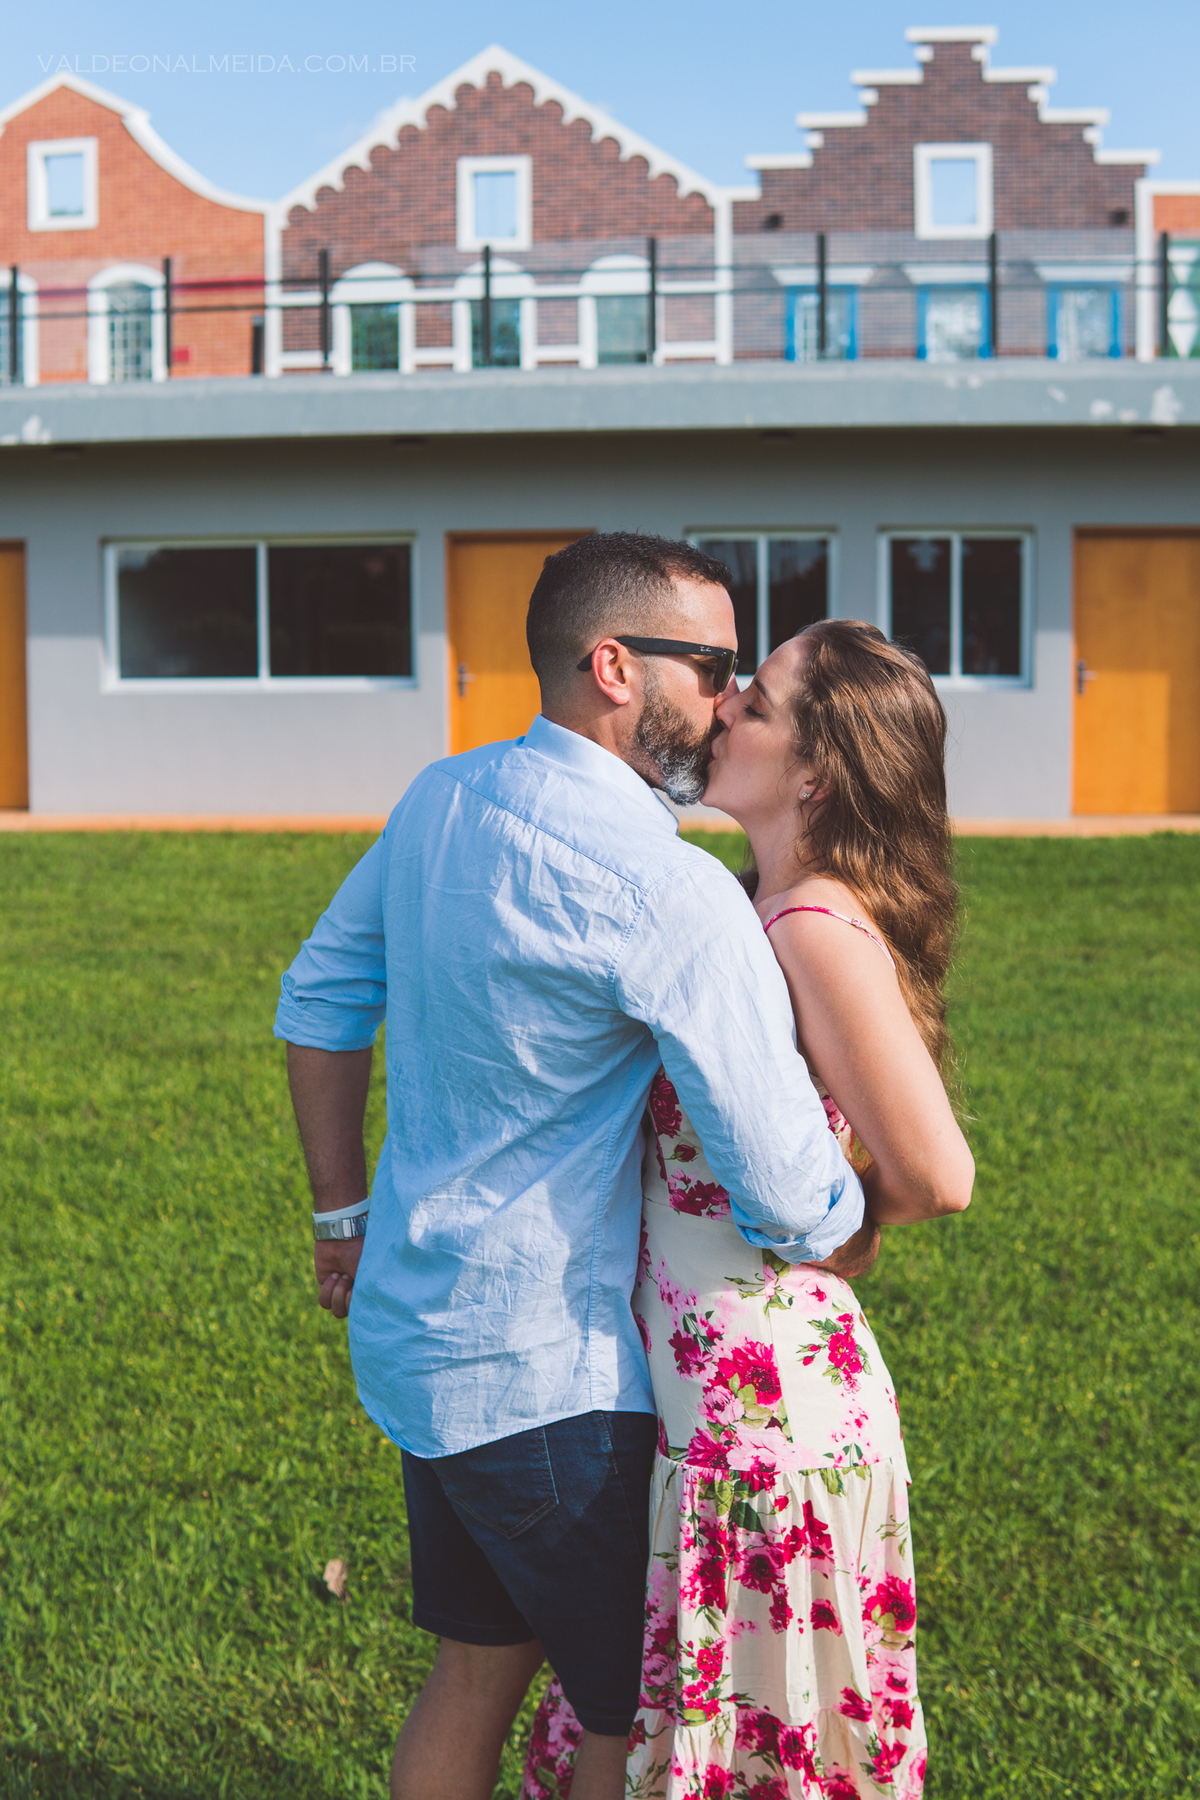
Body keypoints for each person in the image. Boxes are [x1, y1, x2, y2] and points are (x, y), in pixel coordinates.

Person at [274, 535, 875, 1800]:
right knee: (626, 1717)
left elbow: (320, 996)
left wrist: (344, 1220)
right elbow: (786, 1194)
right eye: (711, 665)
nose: (725, 699)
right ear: (615, 666)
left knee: (477, 1672)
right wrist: (863, 1208)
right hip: (553, 1388)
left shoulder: (444, 795)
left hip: (419, 1346)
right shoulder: (671, 889)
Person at [523, 620, 974, 1800]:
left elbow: (940, 1171)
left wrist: (852, 1227)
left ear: (817, 768)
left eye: (756, 703)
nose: (721, 710)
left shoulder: (814, 929)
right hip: (696, 1408)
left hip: (764, 1427)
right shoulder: (743, 906)